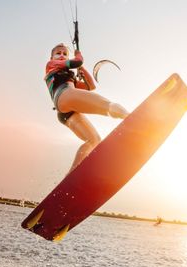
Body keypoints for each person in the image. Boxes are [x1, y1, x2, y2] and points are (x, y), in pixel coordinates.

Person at [45, 43, 129, 172]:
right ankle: (131, 118)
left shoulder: (69, 77)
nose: (61, 55)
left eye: (65, 54)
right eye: (58, 53)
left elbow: (90, 86)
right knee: (108, 106)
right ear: (52, 57)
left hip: (65, 113)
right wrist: (77, 55)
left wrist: (82, 69)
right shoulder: (51, 64)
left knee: (94, 140)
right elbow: (77, 61)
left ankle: (72, 175)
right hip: (65, 95)